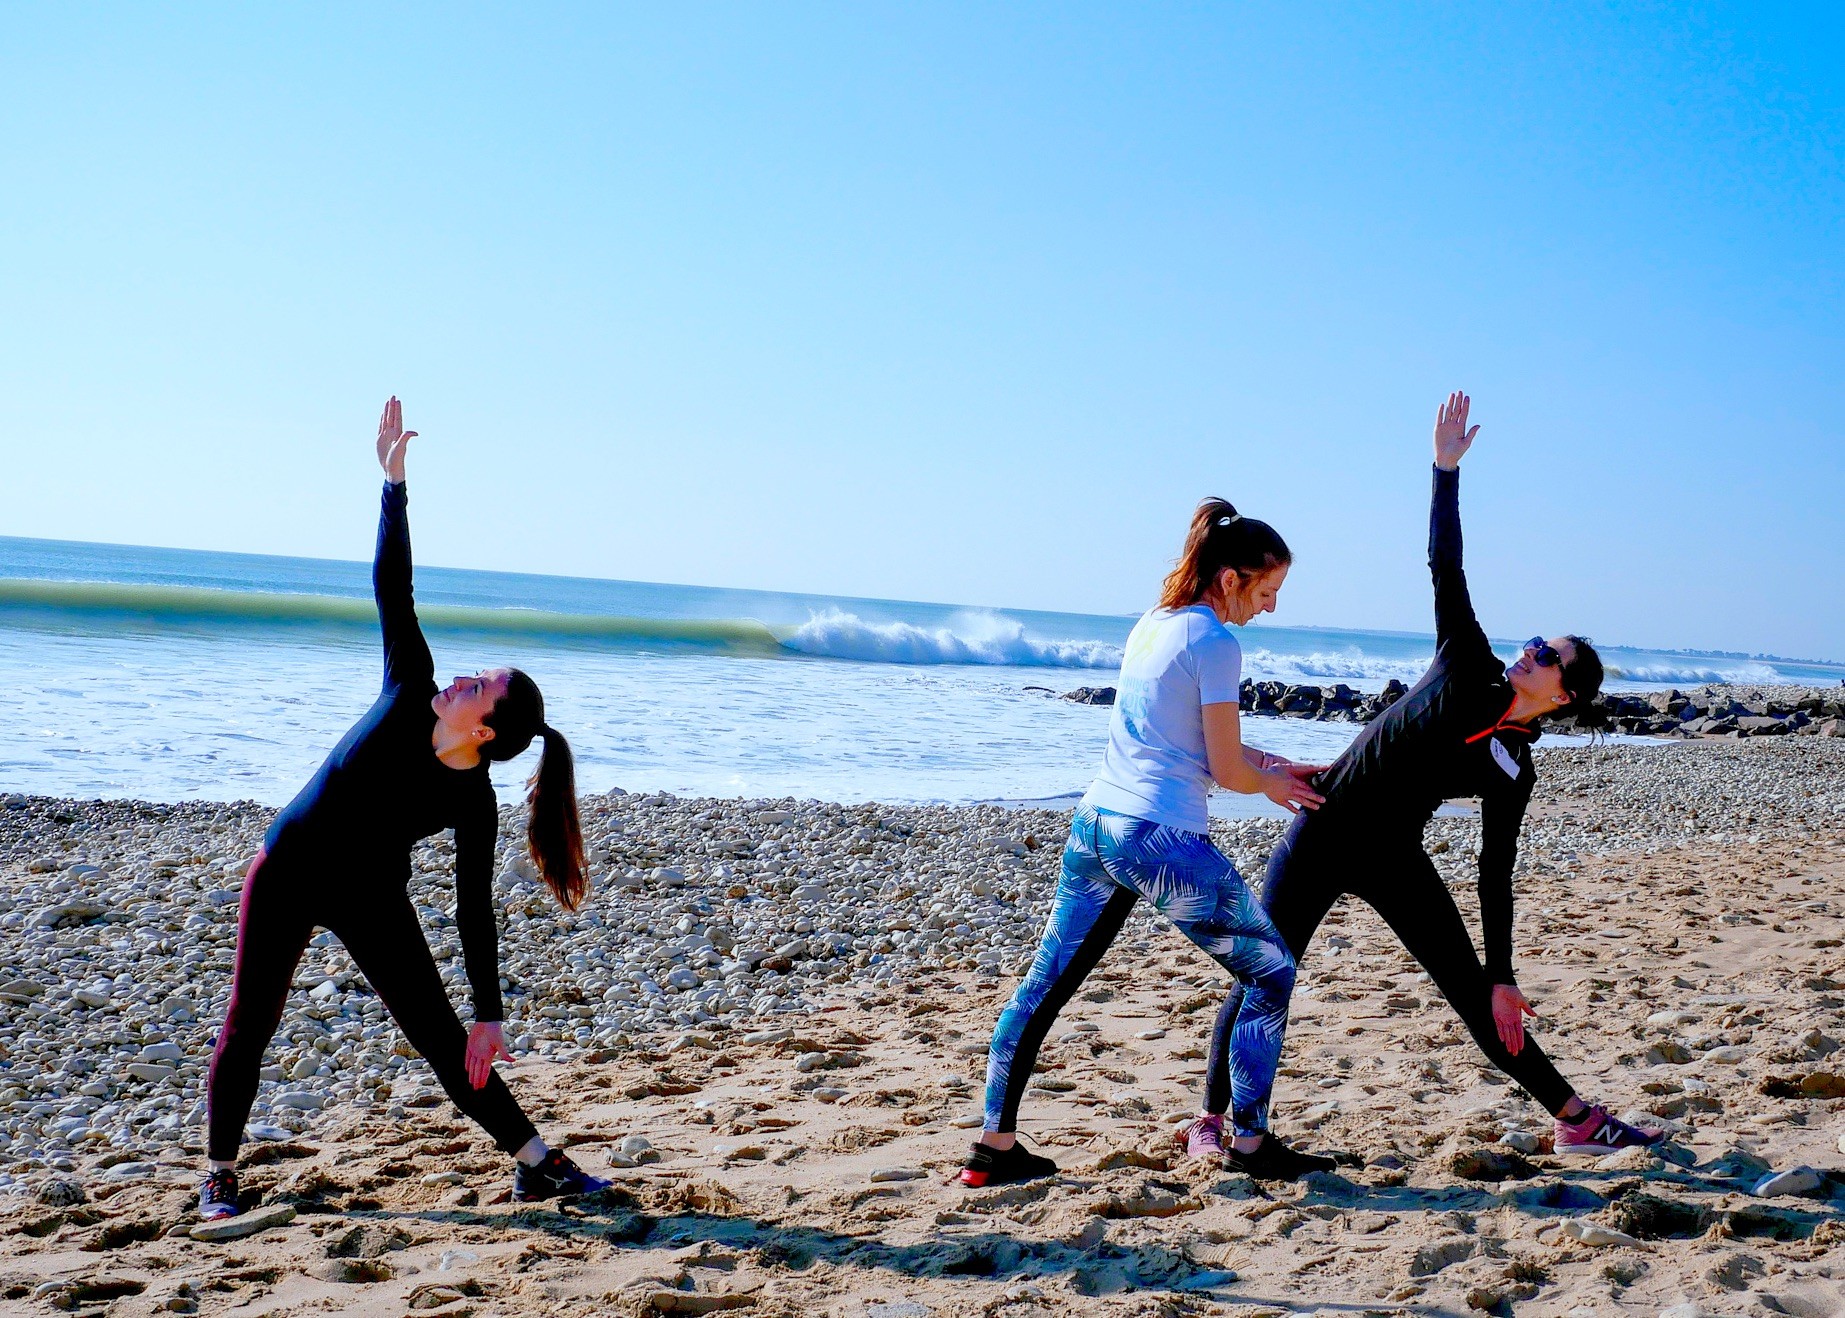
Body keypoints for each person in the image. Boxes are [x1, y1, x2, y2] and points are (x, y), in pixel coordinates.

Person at [1198, 393, 1664, 1158]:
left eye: (1546, 658)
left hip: (1392, 856)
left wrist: (1504, 970)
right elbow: (1444, 562)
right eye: (1534, 644)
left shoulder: (1514, 766)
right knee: (1262, 972)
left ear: (1564, 696)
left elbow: (1495, 871)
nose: (1529, 654)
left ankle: (1575, 1119)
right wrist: (1443, 471)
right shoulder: (1466, 662)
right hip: (1321, 825)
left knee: (1477, 992)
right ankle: (1213, 1123)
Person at [198, 398, 611, 1220]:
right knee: (250, 1021)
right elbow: (394, 585)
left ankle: (533, 1160)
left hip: (368, 894)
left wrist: (488, 1014)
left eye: (477, 686)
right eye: (471, 675)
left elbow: (471, 911)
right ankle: (219, 1173)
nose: (459, 679)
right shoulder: (406, 688)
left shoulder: (474, 799)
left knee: (439, 1036)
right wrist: (393, 486)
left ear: (486, 729)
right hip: (288, 869)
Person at [962, 499, 1337, 1188]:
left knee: (1045, 985)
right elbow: (1223, 771)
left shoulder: (1154, 623)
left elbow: (1177, 735)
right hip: (1157, 837)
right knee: (1270, 971)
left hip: (1096, 825)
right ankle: (1250, 1144)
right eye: (1265, 591)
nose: (1268, 608)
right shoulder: (1217, 642)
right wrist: (1271, 788)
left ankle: (993, 1146)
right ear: (1229, 579)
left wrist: (1276, 766)